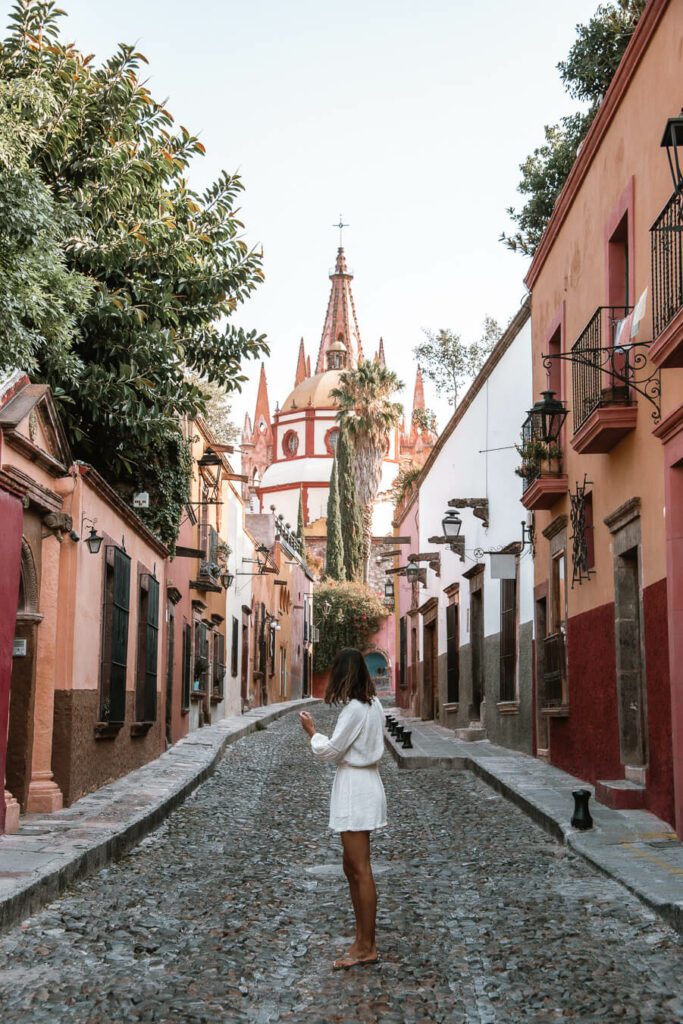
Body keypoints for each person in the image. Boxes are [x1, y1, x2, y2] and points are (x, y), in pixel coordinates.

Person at [299, 647, 387, 971]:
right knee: (351, 867)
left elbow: (333, 751)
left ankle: (367, 946)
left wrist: (312, 733)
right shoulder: (373, 704)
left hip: (356, 792)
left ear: (343, 674)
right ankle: (362, 939)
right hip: (365, 786)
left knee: (360, 869)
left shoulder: (354, 709)